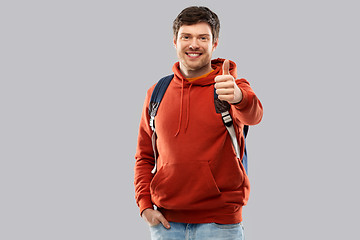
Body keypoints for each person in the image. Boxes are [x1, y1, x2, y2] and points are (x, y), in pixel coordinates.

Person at [134, 6, 263, 240]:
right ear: (175, 41)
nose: (194, 44)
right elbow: (144, 156)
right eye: (186, 37)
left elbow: (254, 115)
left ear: (214, 44)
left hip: (220, 225)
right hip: (167, 224)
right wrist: (144, 206)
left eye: (203, 37)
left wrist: (238, 97)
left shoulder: (231, 85)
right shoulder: (157, 93)